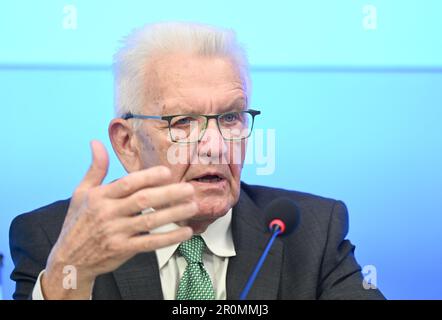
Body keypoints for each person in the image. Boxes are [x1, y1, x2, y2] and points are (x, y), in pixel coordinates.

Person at [9, 21, 385, 300]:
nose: (216, 146)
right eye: (183, 122)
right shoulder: (53, 238)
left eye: (230, 118)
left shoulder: (311, 233)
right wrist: (67, 273)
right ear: (127, 143)